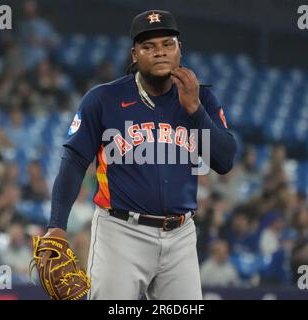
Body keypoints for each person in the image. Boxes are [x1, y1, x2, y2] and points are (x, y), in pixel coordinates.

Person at [39, 9, 237, 300]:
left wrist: (195, 111)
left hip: (180, 234)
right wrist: (56, 225)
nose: (160, 52)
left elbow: (224, 161)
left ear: (179, 49)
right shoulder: (103, 99)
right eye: (148, 46)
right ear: (134, 55)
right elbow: (74, 162)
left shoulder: (201, 98)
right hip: (121, 232)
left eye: (167, 44)